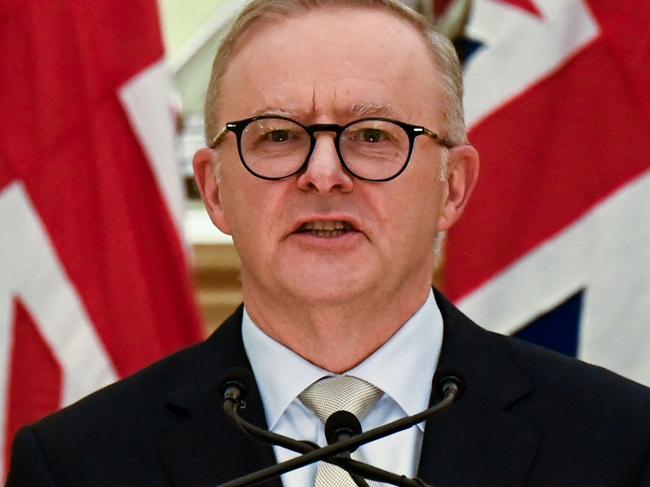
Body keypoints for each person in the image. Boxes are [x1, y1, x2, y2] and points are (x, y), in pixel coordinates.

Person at [7, 0, 650, 486]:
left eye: (373, 136)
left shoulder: (620, 445)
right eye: (277, 136)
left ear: (452, 187)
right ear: (216, 190)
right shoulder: (76, 464)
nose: (322, 174)